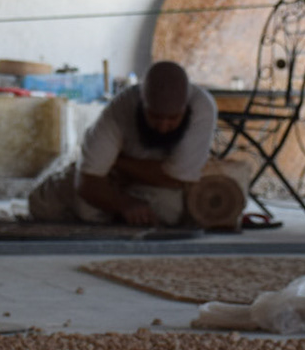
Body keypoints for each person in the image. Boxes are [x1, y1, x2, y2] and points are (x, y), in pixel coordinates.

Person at [28, 60, 217, 226]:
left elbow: (178, 178)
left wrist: (118, 162)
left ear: (185, 109)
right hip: (112, 177)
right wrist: (124, 204)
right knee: (45, 204)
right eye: (155, 117)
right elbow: (87, 180)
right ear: (142, 104)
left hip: (158, 185)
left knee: (168, 210)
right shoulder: (121, 107)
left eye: (173, 118)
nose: (163, 127)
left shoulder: (203, 109)